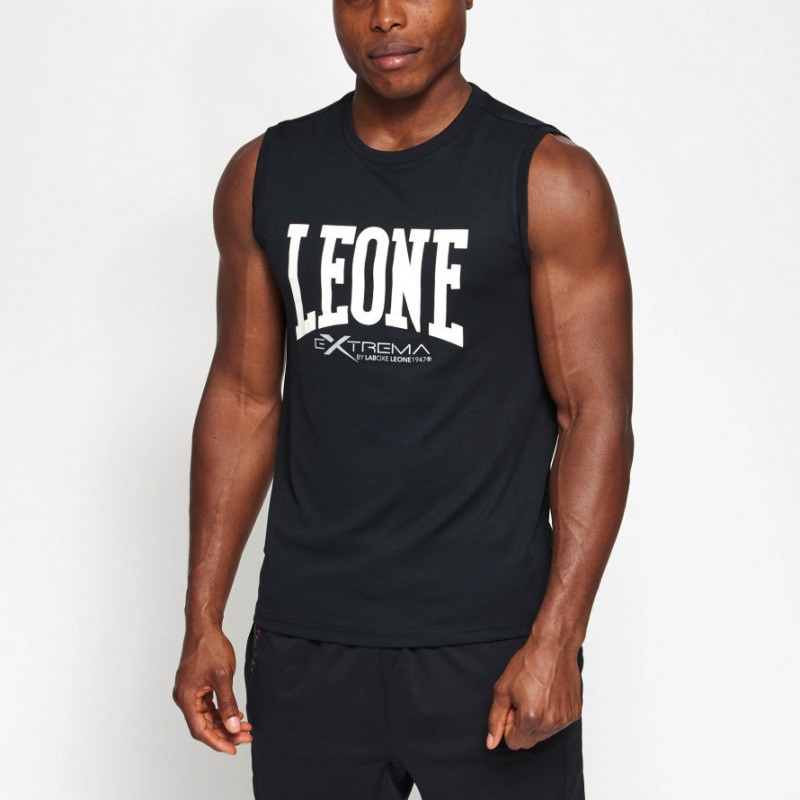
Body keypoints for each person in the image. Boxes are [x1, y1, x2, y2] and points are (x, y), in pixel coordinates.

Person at [172, 1, 634, 797]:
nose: (385, 17)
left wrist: (558, 639)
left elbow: (596, 416)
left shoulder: (549, 179)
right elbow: (244, 398)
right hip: (309, 642)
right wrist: (202, 617)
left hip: (492, 647)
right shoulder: (266, 174)